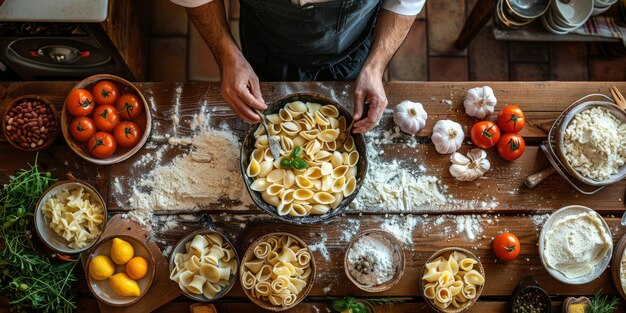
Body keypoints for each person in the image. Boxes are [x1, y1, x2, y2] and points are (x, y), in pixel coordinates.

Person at [172, 0, 424, 133]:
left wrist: (376, 66)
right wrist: (227, 56)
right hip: (264, 46)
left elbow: (405, 1)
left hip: (352, 51)